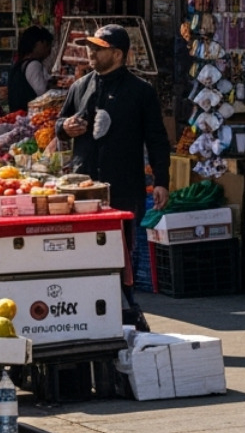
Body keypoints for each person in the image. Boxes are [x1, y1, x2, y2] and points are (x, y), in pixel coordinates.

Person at [58, 24, 171, 322]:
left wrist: (162, 181)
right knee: (81, 251)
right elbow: (59, 125)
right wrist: (65, 127)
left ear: (117, 54)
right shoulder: (79, 86)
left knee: (120, 254)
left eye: (98, 48)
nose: (90, 52)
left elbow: (157, 139)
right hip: (82, 187)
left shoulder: (140, 91)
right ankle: (84, 312)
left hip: (123, 186)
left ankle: (126, 313)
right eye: (90, 47)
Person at [7, 26, 54, 113]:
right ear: (38, 43)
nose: (48, 49)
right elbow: (43, 93)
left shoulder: (19, 63)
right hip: (29, 115)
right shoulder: (33, 65)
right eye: (46, 44)